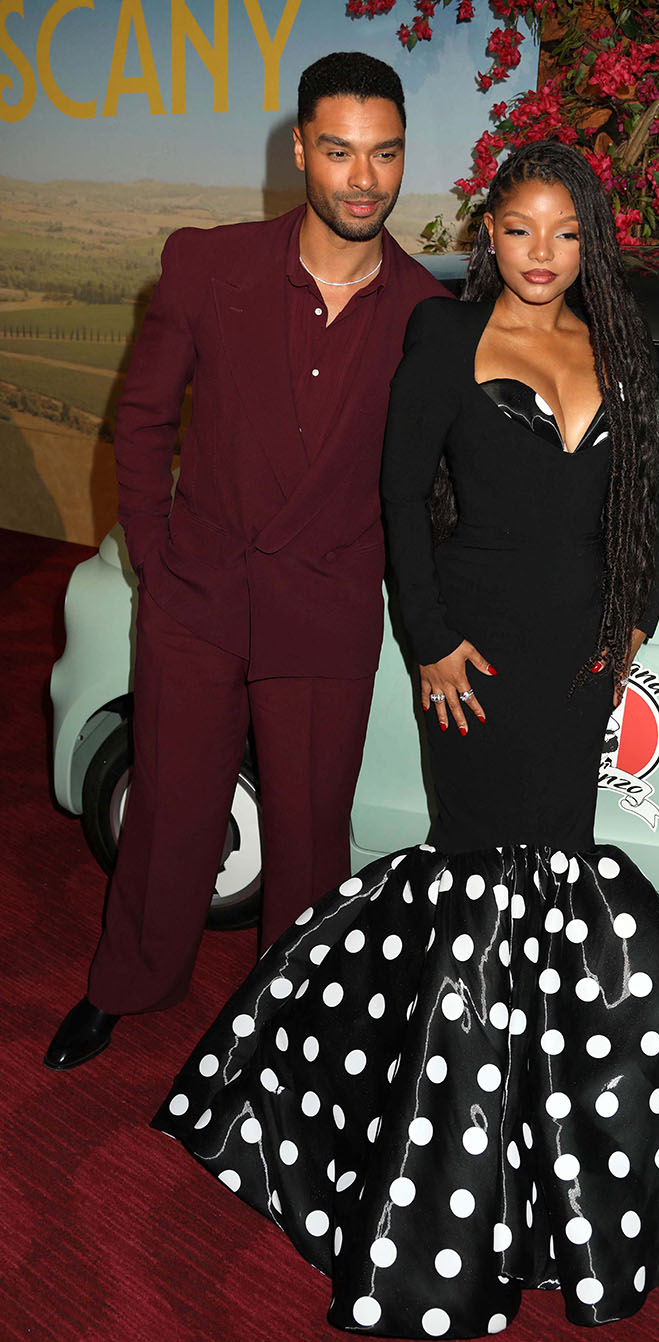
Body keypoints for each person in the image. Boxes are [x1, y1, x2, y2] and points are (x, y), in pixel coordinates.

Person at [151, 143, 659, 1338]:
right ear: (491, 232)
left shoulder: (616, 343)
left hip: (577, 653)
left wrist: (635, 614)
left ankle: (550, 1151)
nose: (541, 253)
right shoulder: (446, 335)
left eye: (565, 233)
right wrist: (427, 641)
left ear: (591, 243)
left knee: (560, 873)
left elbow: (643, 494)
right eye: (520, 228)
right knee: (475, 872)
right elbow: (398, 494)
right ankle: (438, 1174)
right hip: (473, 649)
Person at [43, 52, 447, 1072]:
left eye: (386, 153)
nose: (365, 178)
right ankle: (127, 984)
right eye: (340, 151)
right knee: (170, 807)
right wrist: (155, 553)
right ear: (300, 150)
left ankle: (296, 1018)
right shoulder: (207, 265)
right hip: (199, 594)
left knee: (309, 837)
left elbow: (433, 479)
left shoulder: (426, 314)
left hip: (326, 605)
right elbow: (142, 420)